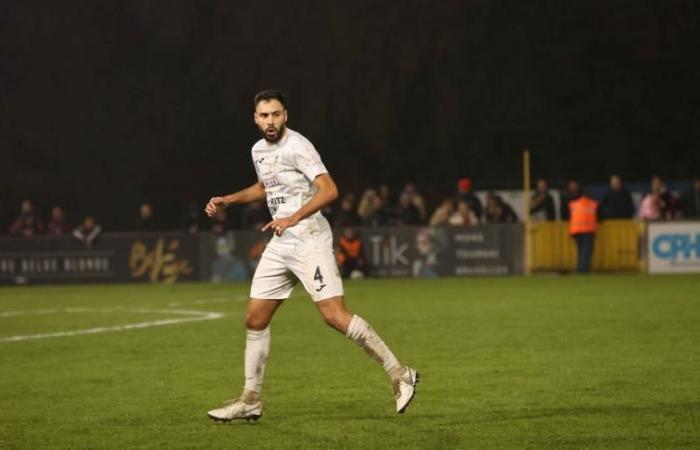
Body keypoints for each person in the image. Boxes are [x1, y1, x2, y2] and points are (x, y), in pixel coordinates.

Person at [204, 90, 418, 422]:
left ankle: (399, 373)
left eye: (276, 114)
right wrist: (228, 200)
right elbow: (265, 187)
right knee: (255, 319)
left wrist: (294, 217)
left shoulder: (299, 146)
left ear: (285, 116)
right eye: (264, 115)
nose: (270, 121)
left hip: (309, 239)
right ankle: (251, 399)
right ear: (255, 119)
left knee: (334, 316)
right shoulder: (258, 150)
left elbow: (330, 189)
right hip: (280, 242)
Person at [568, 189, 598, 273]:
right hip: (588, 230)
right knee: (586, 251)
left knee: (580, 251)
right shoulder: (593, 204)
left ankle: (579, 268)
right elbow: (600, 216)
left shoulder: (574, 204)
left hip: (576, 231)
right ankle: (583, 270)